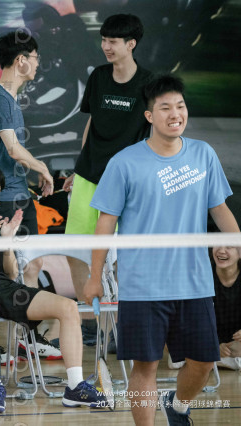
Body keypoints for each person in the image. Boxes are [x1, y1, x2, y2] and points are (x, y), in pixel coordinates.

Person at [84, 75, 240, 426]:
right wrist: (95, 276)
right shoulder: (125, 162)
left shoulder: (203, 154)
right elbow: (105, 223)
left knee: (204, 360)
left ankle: (178, 405)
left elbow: (220, 210)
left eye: (180, 106)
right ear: (149, 116)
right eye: (165, 107)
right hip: (143, 284)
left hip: (194, 282)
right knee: (146, 366)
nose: (175, 114)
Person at [0, 162, 105, 414]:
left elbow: (11, 273)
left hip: (3, 286)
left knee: (68, 307)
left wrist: (7, 242)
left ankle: (75, 386)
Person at [63, 14, 152, 344]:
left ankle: (120, 328)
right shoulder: (99, 77)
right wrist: (79, 167)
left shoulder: (149, 83)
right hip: (89, 175)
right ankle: (90, 324)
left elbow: (155, 134)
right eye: (103, 40)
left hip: (127, 182)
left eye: (113, 41)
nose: (106, 46)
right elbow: (92, 123)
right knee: (75, 250)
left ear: (131, 44)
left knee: (118, 257)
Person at [0, 30, 61, 361]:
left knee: (31, 264)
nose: (38, 65)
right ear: (21, 60)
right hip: (3, 198)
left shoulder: (8, 99)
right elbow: (12, 149)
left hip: (16, 194)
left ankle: (26, 338)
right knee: (8, 270)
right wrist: (43, 168)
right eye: (36, 58)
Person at [212, 245, 241, 370]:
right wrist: (215, 344)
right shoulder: (203, 274)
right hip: (209, 339)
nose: (221, 251)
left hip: (236, 343)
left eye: (229, 246)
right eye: (218, 244)